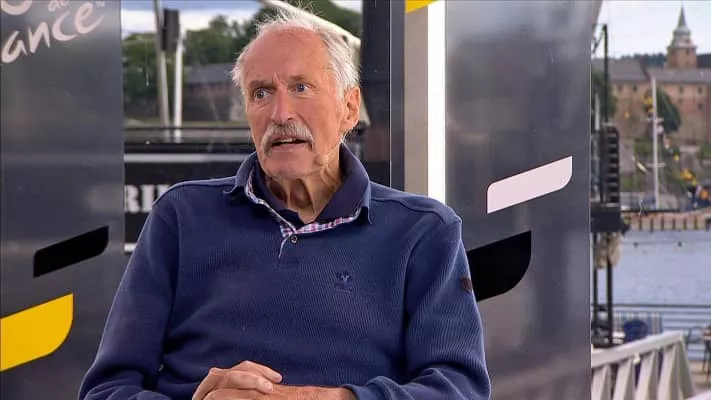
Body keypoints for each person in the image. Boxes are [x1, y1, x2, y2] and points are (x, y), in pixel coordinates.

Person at [79, 9, 491, 400]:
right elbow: (107, 390)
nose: (280, 113)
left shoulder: (423, 231)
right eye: (261, 93)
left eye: (301, 88)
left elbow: (460, 390)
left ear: (349, 108)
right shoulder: (182, 216)